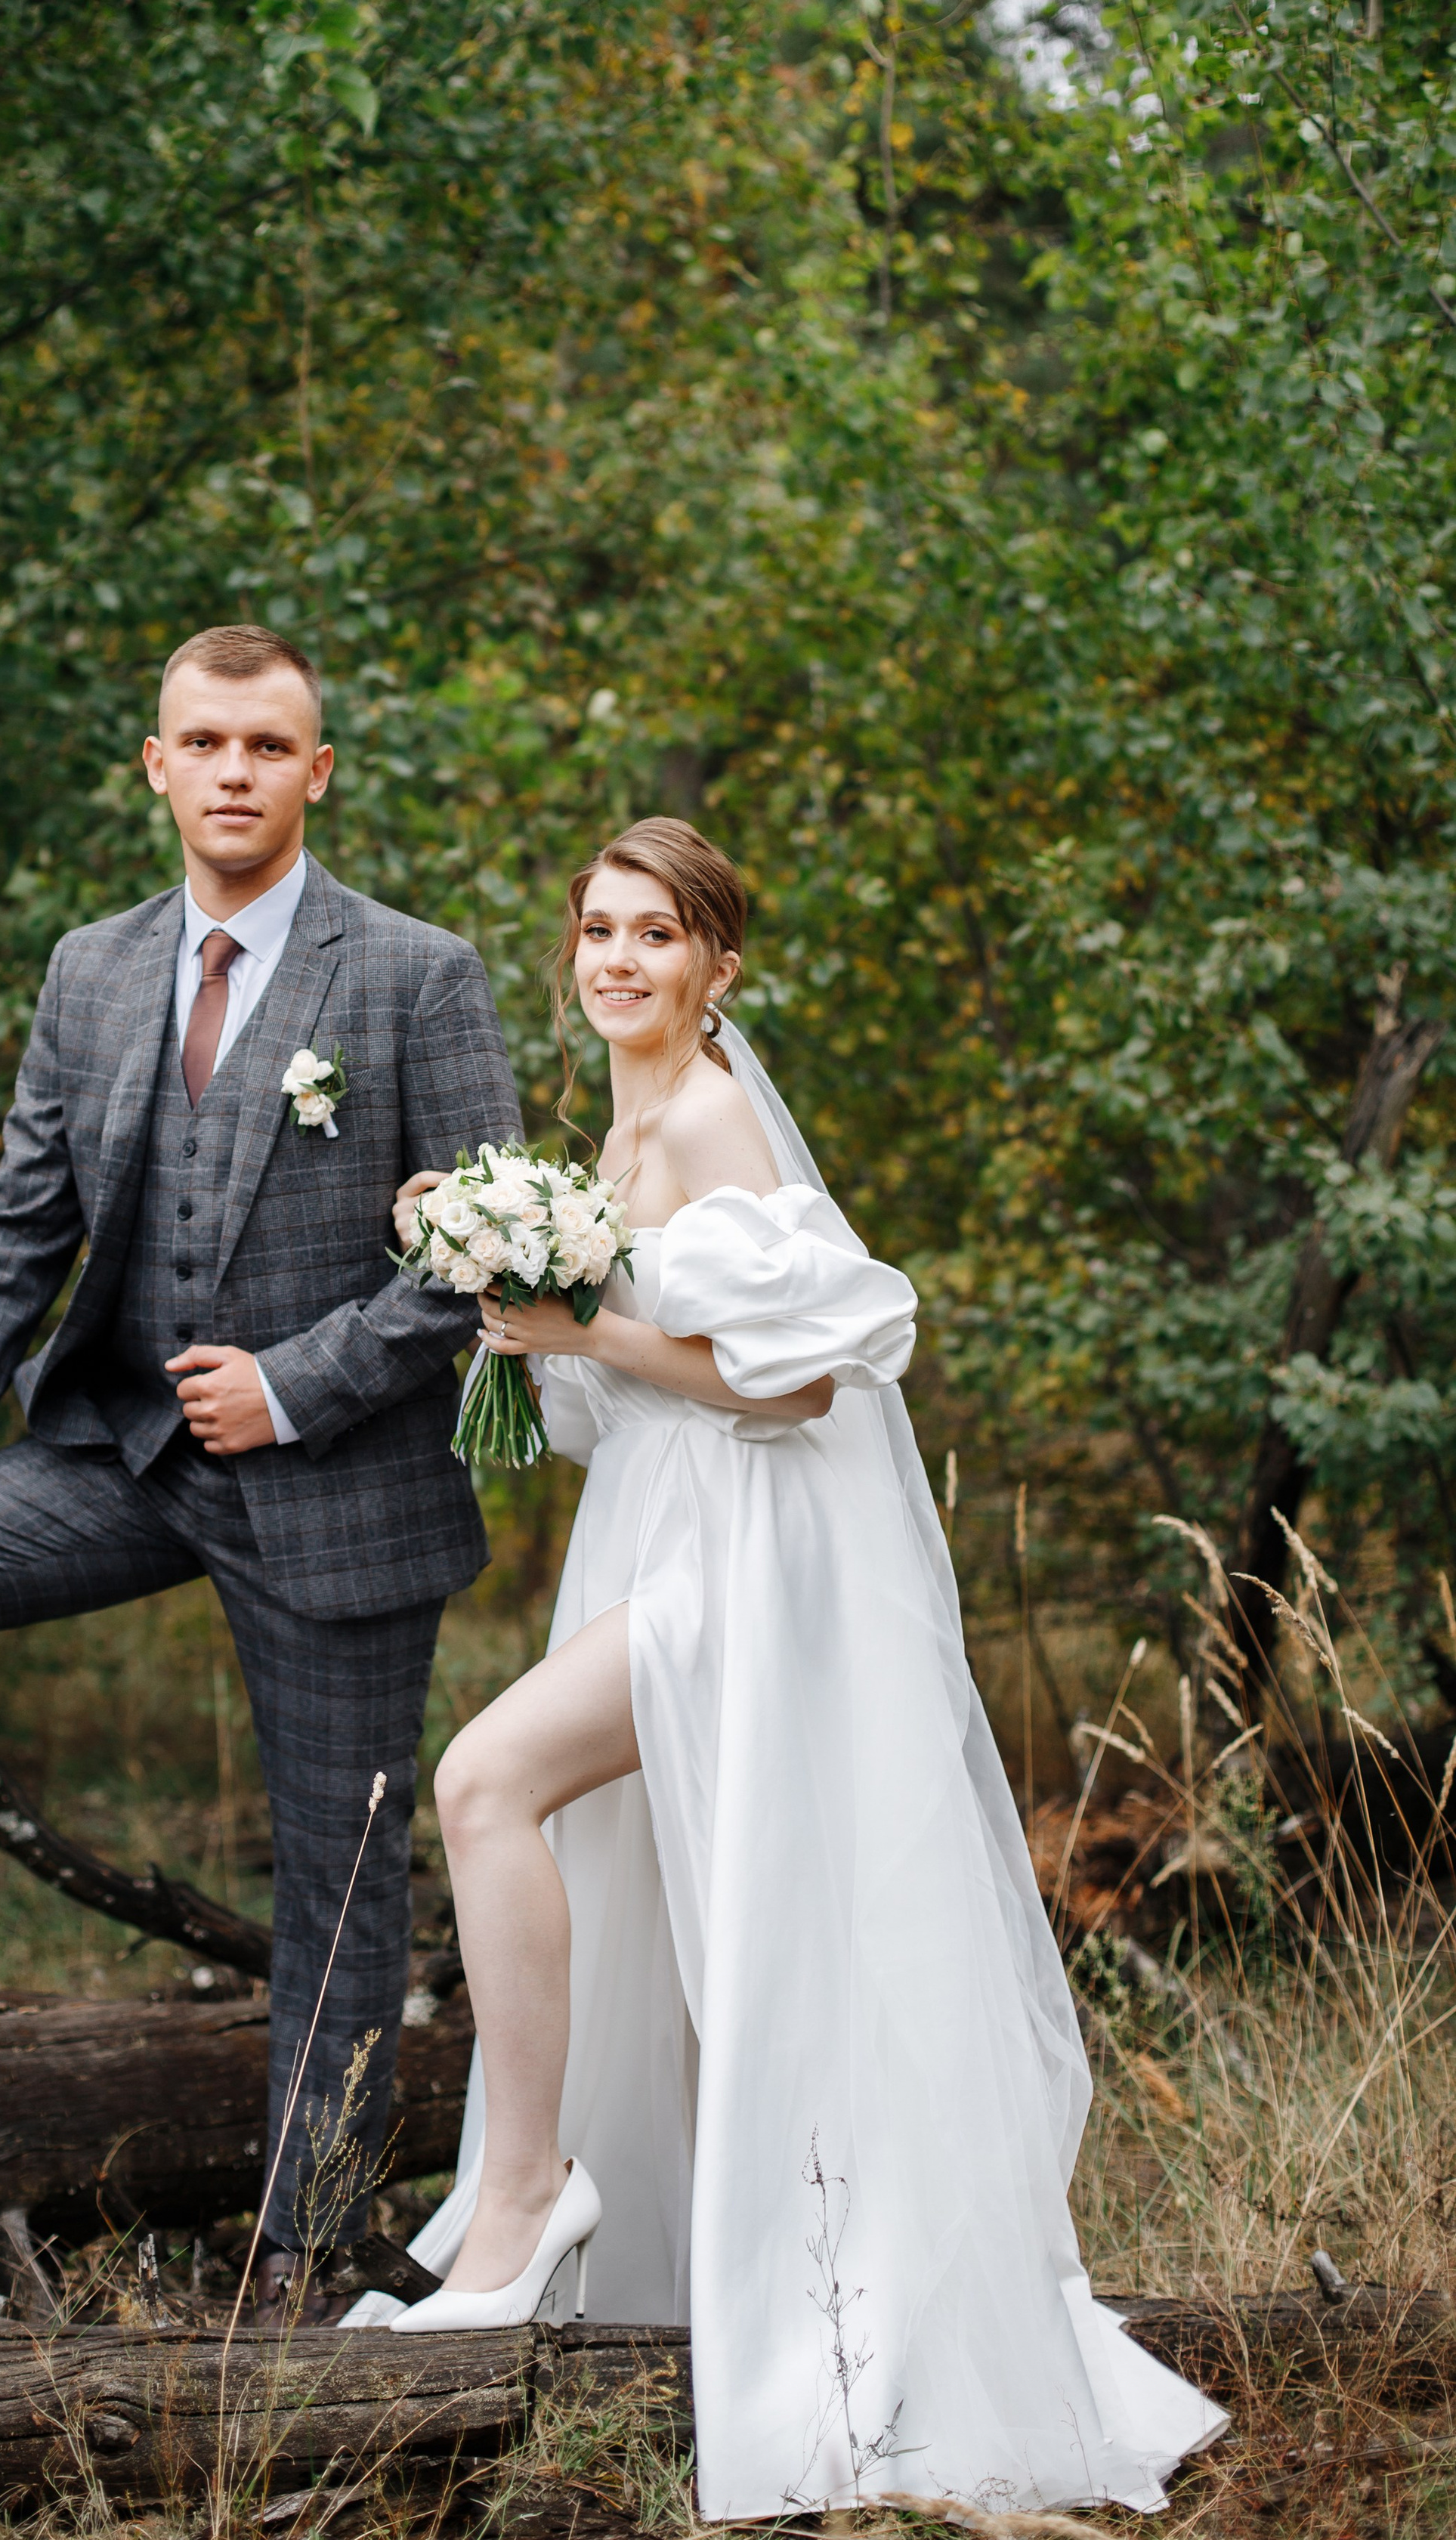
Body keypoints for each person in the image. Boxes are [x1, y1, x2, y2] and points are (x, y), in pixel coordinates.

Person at [351, 817, 1224, 2517]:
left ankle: (527, 2198)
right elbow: (621, 1395)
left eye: (655, 935)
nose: (616, 959)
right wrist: (501, 1279)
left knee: (483, 1779)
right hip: (675, 1536)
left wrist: (574, 1323)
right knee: (639, 1878)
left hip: (751, 1569)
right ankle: (607, 2219)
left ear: (715, 966)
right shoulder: (617, 1127)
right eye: (595, 930)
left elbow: (804, 1381)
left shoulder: (711, 1113)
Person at [0, 623, 521, 2325]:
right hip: (126, 1451)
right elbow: (19, 1221)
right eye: (202, 741)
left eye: (267, 744)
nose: (233, 770)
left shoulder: (416, 974)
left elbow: (483, 1256)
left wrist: (297, 1388)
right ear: (154, 764)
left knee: (338, 1867)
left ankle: (304, 2253)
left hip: (336, 1481)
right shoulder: (90, 969)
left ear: (317, 772)